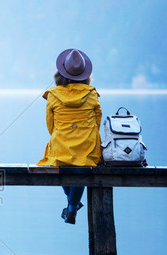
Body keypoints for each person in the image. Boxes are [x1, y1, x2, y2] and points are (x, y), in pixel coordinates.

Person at [37, 49, 102, 224]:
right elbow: (97, 122)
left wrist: (64, 136)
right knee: (82, 164)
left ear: (60, 72)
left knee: (58, 160)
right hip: (87, 146)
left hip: (61, 146)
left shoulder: (52, 95)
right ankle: (72, 207)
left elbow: (50, 126)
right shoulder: (92, 95)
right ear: (85, 74)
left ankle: (72, 205)